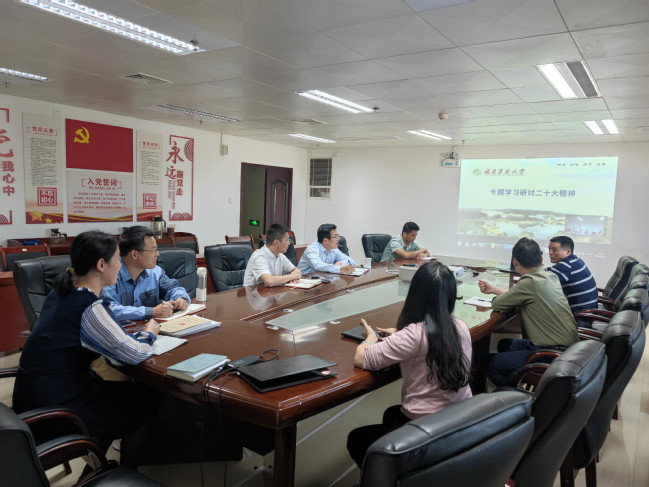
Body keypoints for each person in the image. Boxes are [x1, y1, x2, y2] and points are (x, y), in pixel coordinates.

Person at [12, 230, 160, 449]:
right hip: (57, 411)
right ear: (101, 265)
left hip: (34, 397)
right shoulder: (89, 307)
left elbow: (113, 340)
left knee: (131, 393)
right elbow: (133, 354)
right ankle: (123, 465)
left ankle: (99, 459)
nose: (120, 265)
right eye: (117, 259)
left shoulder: (61, 292)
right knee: (149, 397)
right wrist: (150, 333)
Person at [346, 261, 472, 467]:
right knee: (391, 414)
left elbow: (362, 358)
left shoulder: (414, 334)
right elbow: (430, 338)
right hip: (460, 419)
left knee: (357, 439)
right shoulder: (460, 326)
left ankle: (392, 474)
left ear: (415, 295)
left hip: (427, 429)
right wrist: (399, 335)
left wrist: (370, 338)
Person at [478, 237, 579, 386]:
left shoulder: (529, 282)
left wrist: (495, 295)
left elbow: (498, 304)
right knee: (504, 345)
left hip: (551, 353)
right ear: (541, 258)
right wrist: (494, 289)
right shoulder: (550, 276)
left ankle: (514, 395)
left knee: (486, 362)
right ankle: (513, 379)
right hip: (569, 348)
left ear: (515, 261)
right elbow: (519, 295)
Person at [101, 225, 190, 321]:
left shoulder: (155, 272)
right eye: (153, 250)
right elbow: (108, 309)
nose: (157, 254)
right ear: (135, 254)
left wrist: (181, 298)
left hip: (151, 328)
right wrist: (151, 312)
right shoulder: (110, 274)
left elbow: (172, 288)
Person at [547, 235, 598, 313]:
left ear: (568, 252)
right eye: (549, 249)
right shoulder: (574, 260)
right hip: (588, 311)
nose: (550, 253)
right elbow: (548, 272)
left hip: (581, 316)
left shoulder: (567, 266)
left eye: (554, 250)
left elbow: (543, 279)